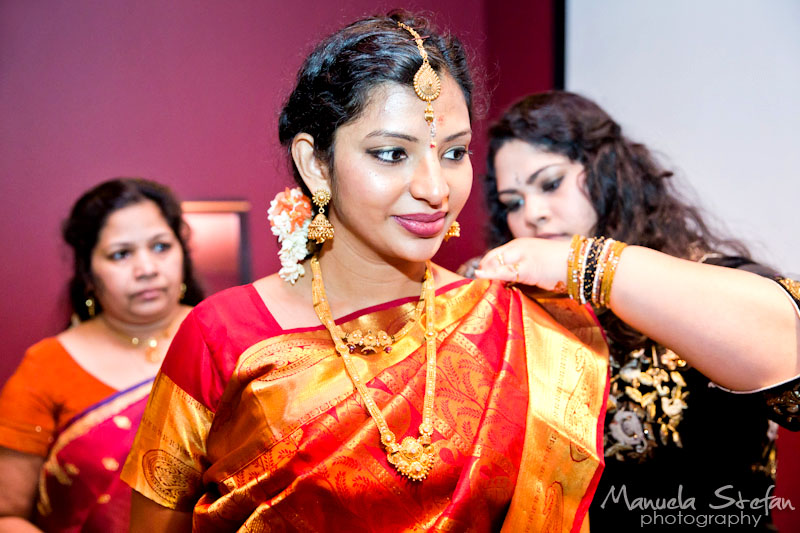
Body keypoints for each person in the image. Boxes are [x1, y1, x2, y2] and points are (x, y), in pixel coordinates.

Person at [121, 13, 799, 533]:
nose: (433, 187)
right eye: (391, 153)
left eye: (452, 152)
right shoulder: (223, 333)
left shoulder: (512, 315)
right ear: (316, 162)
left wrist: (576, 261)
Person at [474, 90, 800, 532]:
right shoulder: (520, 312)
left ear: (610, 173)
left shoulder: (705, 280)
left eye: (550, 183)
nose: (531, 214)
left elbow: (787, 346)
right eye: (514, 202)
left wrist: (581, 264)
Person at [0, 178, 204, 532]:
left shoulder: (226, 338)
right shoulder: (47, 366)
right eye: (121, 254)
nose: (147, 269)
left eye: (160, 247)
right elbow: (6, 515)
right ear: (88, 273)